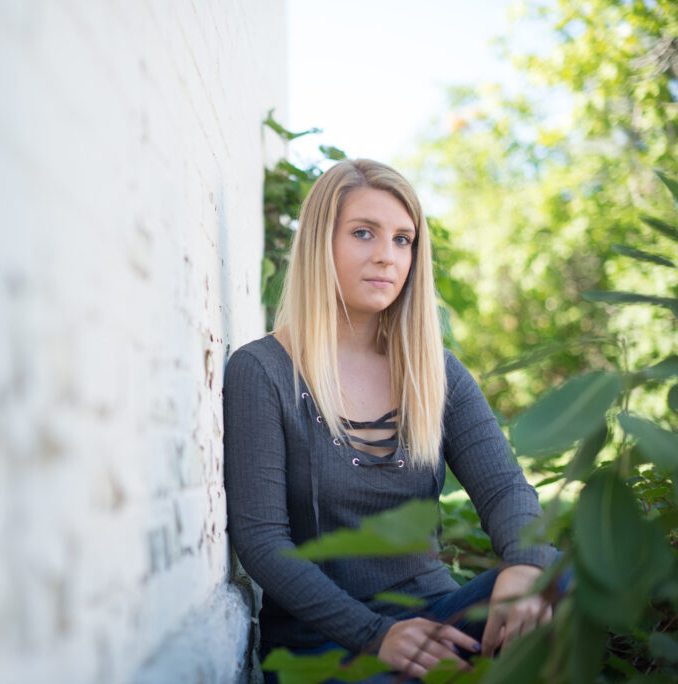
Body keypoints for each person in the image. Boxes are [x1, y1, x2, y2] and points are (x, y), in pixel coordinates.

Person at [222, 159, 557, 683]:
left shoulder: (435, 372)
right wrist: (375, 635)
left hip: (437, 619)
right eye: (363, 233)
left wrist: (525, 564)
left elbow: (505, 490)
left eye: (403, 239)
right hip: (326, 644)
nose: (386, 256)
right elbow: (264, 542)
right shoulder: (262, 371)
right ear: (319, 243)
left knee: (563, 577)